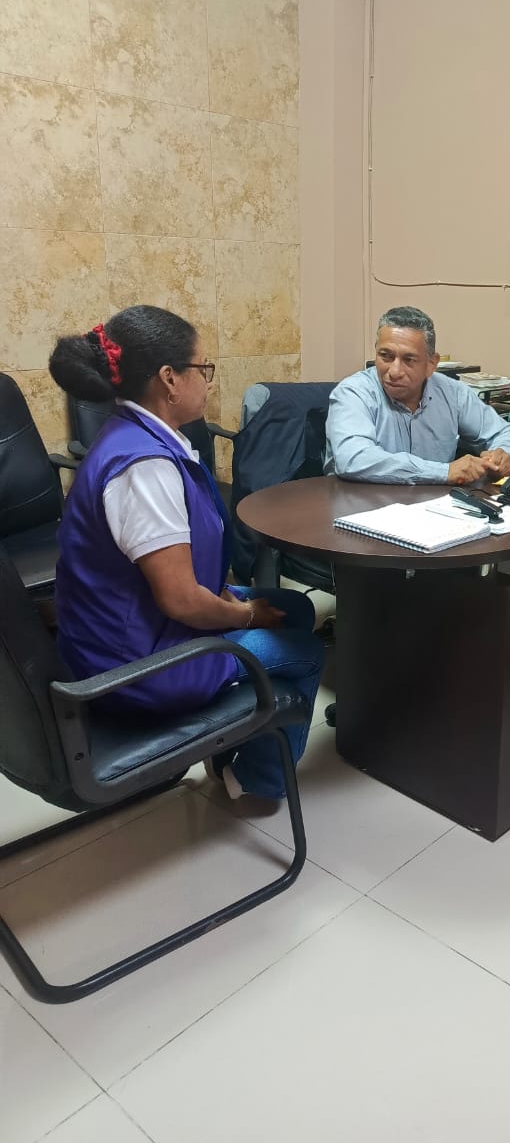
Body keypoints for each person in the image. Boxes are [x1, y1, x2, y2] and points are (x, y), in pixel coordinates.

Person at [49, 305, 325, 802]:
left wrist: (234, 602)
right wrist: (245, 614)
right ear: (169, 379)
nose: (208, 382)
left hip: (135, 627)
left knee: (297, 608)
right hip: (137, 666)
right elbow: (180, 601)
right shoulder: (144, 468)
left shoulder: (135, 435)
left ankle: (236, 739)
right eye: (203, 369)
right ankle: (257, 780)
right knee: (305, 652)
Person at [323, 305, 510, 484]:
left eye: (409, 360)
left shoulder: (452, 393)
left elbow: (508, 434)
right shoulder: (353, 393)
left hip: (433, 506)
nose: (394, 371)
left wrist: (503, 456)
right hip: (361, 506)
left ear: (431, 364)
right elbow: (353, 459)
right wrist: (444, 472)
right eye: (385, 356)